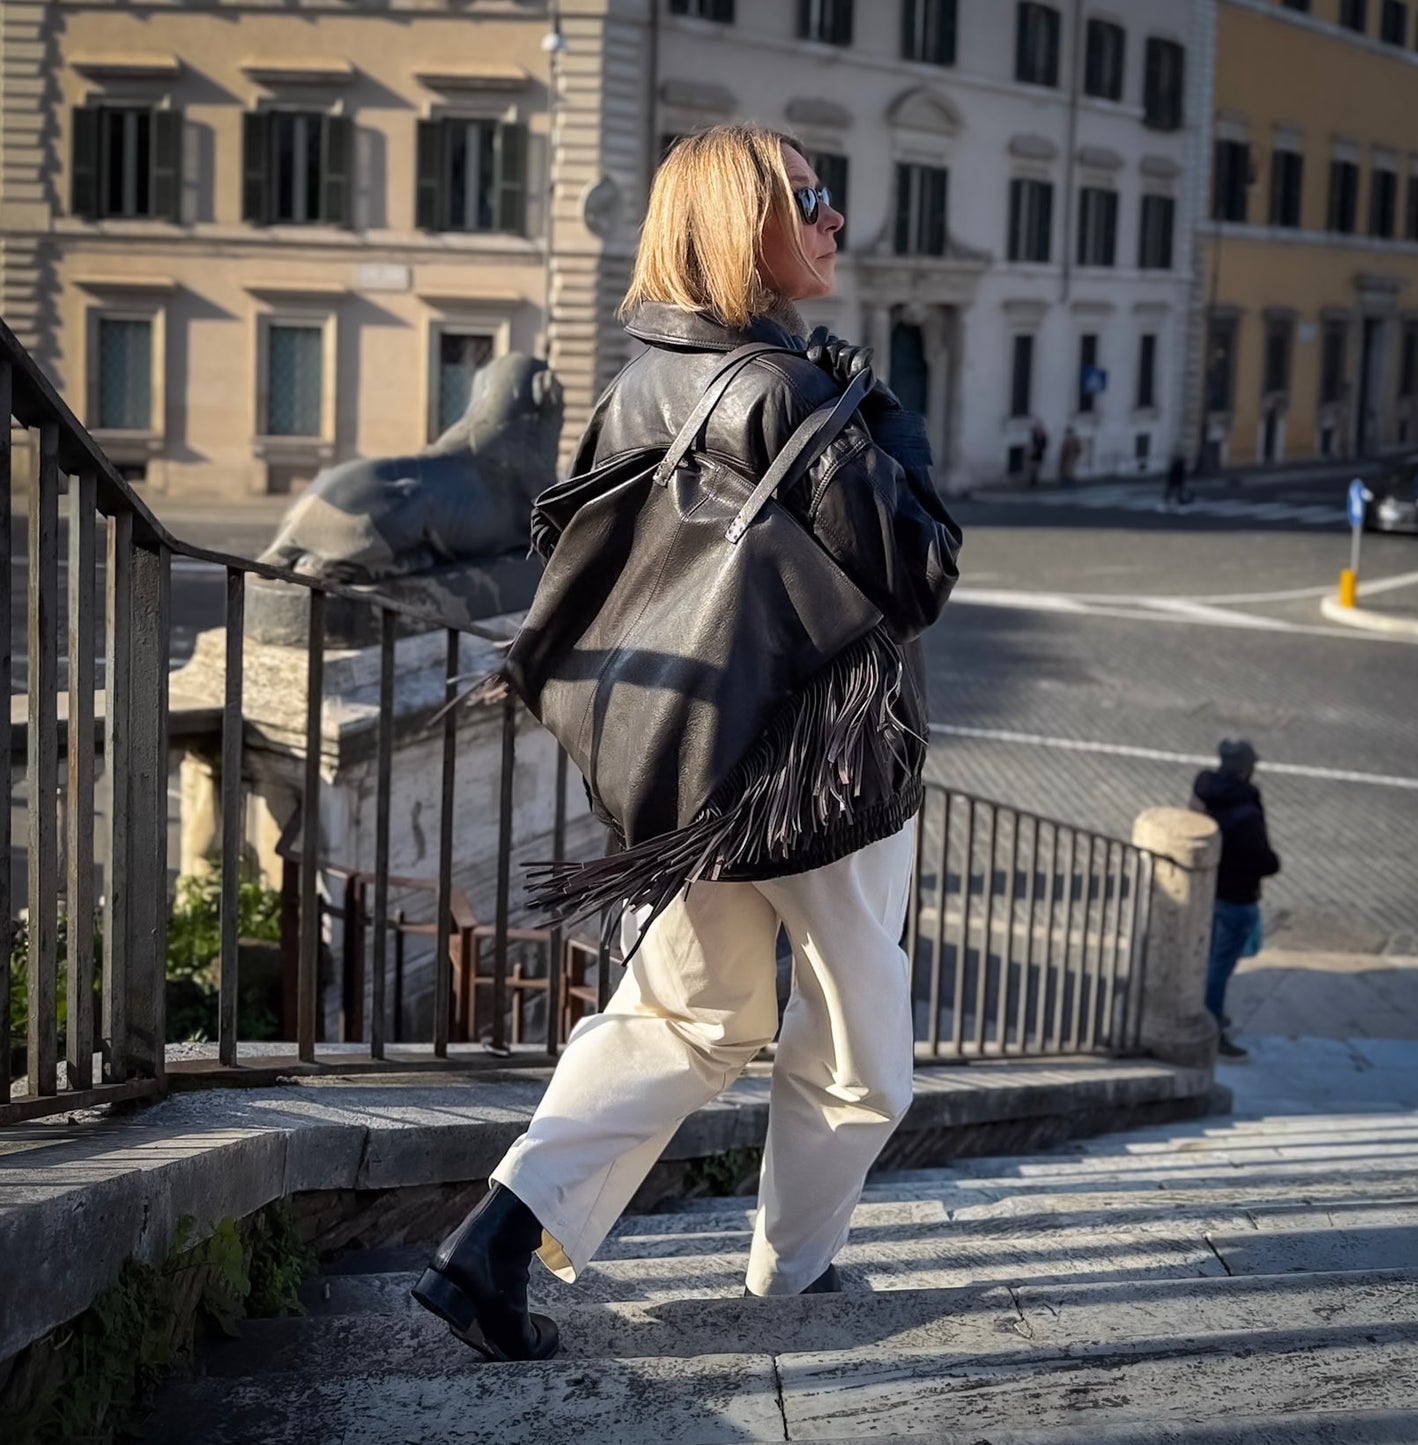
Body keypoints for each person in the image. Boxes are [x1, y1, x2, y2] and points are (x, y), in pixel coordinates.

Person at [410, 124, 962, 1362]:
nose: (834, 223)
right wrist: (881, 421)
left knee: (683, 1017)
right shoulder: (784, 390)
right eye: (810, 200)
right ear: (734, 226)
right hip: (814, 775)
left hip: (681, 771)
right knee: (861, 1053)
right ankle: (792, 1276)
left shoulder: (635, 381)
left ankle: (493, 1241)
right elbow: (919, 571)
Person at [1191, 740, 1280, 1061]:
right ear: (1245, 767)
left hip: (1209, 888)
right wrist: (1273, 863)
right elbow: (1260, 858)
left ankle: (1206, 1009)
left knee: (1208, 956)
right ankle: (1212, 1027)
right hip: (1237, 896)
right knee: (1220, 965)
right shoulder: (1246, 810)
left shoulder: (1204, 789)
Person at [1026, 420, 1048, 487]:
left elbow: (1044, 445)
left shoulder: (1043, 437)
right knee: (1032, 469)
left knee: (1037, 469)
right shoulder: (1034, 437)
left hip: (1039, 455)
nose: (1038, 431)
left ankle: (1034, 481)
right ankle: (1032, 481)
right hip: (1033, 455)